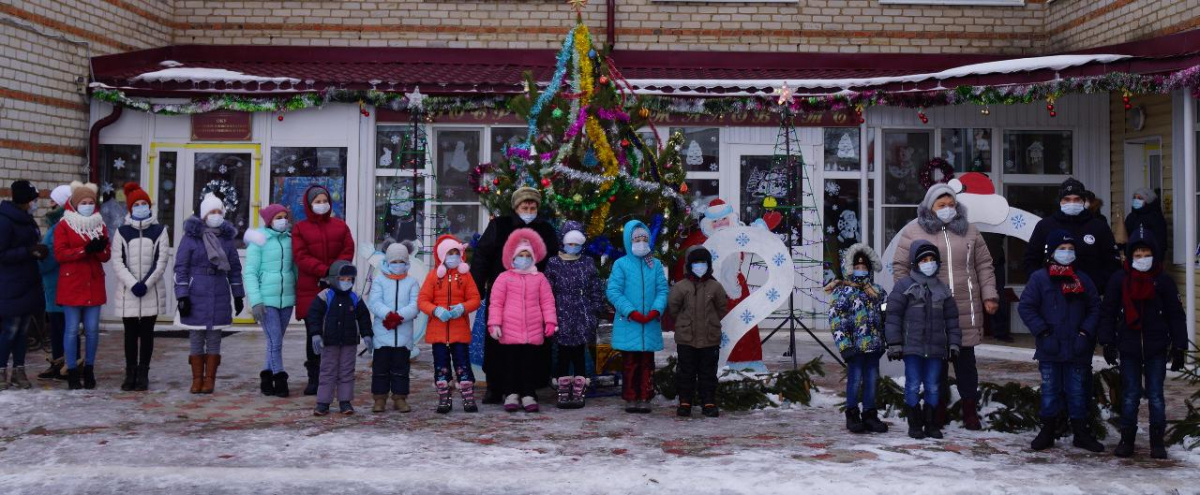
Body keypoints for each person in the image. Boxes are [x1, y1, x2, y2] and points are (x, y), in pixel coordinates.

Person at [892, 183, 998, 430]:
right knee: (935, 363)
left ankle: (970, 412)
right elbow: (900, 267)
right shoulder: (913, 231)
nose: (947, 209)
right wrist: (910, 296)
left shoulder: (969, 231)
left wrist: (989, 295)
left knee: (966, 364)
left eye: (951, 204)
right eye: (942, 205)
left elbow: (984, 264)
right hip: (930, 311)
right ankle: (936, 411)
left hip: (965, 307)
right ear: (930, 206)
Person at [1100, 227, 1187, 459]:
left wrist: (1180, 346)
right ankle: (1127, 439)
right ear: (1130, 256)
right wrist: (1107, 340)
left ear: (1154, 255)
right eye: (1137, 255)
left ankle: (1157, 441)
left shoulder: (1163, 281)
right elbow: (1108, 311)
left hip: (1156, 347)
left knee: (1156, 395)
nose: (1142, 259)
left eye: (1146, 254)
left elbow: (1176, 314)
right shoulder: (1119, 280)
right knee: (1130, 395)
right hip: (1128, 346)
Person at [1018, 230, 1104, 453]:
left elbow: (1095, 307)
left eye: (1070, 249)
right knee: (1050, 390)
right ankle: (1047, 431)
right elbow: (1026, 307)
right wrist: (1043, 332)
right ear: (1052, 252)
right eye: (1062, 249)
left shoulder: (1082, 279)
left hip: (1077, 348)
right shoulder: (1039, 278)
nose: (1066, 253)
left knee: (1077, 391)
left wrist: (1085, 333)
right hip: (1050, 348)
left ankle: (1081, 432)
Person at [472, 186, 559, 403]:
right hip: (503, 292)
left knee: (532, 344)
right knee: (496, 341)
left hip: (533, 295)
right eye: (524, 206)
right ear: (516, 207)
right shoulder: (499, 226)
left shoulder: (546, 230)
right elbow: (482, 255)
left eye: (532, 207)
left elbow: (554, 260)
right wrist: (477, 285)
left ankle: (529, 387)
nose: (528, 210)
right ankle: (495, 386)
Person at [885, 240, 961, 440]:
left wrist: (953, 343)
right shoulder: (904, 286)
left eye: (932, 260)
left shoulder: (942, 289)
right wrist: (894, 343)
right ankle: (914, 422)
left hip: (936, 349)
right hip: (913, 347)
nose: (929, 263)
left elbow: (952, 319)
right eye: (924, 260)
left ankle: (931, 423)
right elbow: (893, 316)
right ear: (915, 263)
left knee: (933, 385)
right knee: (912, 384)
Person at [174, 192, 244, 395]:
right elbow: (181, 267)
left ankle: (210, 379)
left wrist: (238, 294)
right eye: (212, 212)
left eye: (219, 211)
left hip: (219, 291)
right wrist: (182, 295)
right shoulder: (191, 238)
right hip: (196, 292)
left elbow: (234, 268)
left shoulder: (227, 240)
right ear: (204, 215)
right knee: (196, 336)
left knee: (214, 337)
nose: (216, 215)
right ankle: (197, 379)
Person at [487, 228, 558, 413]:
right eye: (521, 255)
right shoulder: (504, 278)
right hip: (510, 330)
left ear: (533, 257)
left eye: (527, 255)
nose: (524, 258)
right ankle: (511, 393)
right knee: (510, 364)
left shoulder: (540, 278)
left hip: (533, 330)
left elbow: (547, 302)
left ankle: (528, 394)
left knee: (529, 364)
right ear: (513, 258)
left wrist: (550, 322)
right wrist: (494, 323)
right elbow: (496, 303)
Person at [292, 185, 354, 396]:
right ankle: (315, 377)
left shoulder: (340, 226)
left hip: (338, 288)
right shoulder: (300, 228)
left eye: (324, 200)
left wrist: (335, 273)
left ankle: (336, 376)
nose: (321, 205)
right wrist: (325, 271)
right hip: (311, 289)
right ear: (310, 205)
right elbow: (300, 256)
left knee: (337, 331)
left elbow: (348, 250)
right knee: (314, 332)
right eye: (317, 202)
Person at [110, 183, 170, 391]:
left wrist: (146, 283)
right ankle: (130, 372)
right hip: (129, 292)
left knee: (147, 334)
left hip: (151, 291)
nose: (141, 207)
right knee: (129, 334)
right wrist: (133, 283)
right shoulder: (122, 231)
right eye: (137, 204)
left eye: (145, 203)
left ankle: (143, 372)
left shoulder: (159, 230)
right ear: (130, 208)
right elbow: (117, 261)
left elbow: (161, 261)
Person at [606, 220, 669, 414]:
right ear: (629, 241)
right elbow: (614, 291)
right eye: (637, 238)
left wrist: (655, 310)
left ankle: (645, 396)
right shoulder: (621, 264)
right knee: (630, 363)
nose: (641, 242)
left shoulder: (655, 264)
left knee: (647, 363)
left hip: (649, 323)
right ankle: (631, 397)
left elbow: (662, 290)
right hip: (629, 323)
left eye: (644, 238)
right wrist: (630, 311)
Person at [826, 243, 888, 433]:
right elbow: (837, 320)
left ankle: (870, 413)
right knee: (854, 380)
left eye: (864, 268)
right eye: (857, 267)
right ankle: (852, 413)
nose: (861, 271)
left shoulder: (877, 292)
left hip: (874, 347)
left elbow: (886, 316)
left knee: (871, 380)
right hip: (854, 348)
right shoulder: (843, 292)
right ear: (851, 268)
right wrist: (845, 346)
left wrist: (885, 339)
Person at [54, 182, 110, 390]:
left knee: (93, 330)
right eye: (84, 202)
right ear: (75, 204)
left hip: (93, 283)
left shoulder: (99, 224)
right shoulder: (64, 225)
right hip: (72, 284)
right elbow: (60, 254)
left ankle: (89, 368)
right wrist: (84, 250)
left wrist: (98, 249)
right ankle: (72, 371)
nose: (87, 205)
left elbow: (106, 255)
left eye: (91, 202)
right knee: (71, 330)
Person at [543, 221, 605, 409]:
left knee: (578, 353)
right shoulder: (553, 263)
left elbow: (595, 289)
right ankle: (563, 389)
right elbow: (547, 292)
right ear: (563, 242)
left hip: (582, 316)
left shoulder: (587, 263)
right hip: (560, 316)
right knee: (562, 354)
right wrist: (549, 316)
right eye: (570, 243)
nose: (573, 246)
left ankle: (579, 389)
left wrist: (594, 312)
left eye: (576, 243)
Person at [419, 234, 482, 414]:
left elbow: (475, 299)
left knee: (463, 364)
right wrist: (435, 310)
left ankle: (468, 396)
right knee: (441, 365)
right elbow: (422, 300)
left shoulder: (465, 276)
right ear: (442, 255)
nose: (453, 256)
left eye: (456, 252)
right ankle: (444, 397)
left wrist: (462, 308)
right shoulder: (433, 277)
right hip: (438, 333)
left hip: (459, 332)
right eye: (449, 253)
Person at [1023, 178, 1121, 291]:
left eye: (1076, 199)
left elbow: (1112, 262)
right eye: (1067, 199)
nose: (1072, 203)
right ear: (1060, 201)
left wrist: (1094, 286)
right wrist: (1042, 284)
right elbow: (1030, 260)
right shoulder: (1045, 226)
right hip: (1051, 294)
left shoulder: (1099, 227)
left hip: (1089, 295)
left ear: (1083, 201)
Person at [668, 246, 728, 418]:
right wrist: (683, 323)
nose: (699, 266)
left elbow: (721, 308)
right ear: (689, 265)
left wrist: (712, 321)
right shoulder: (681, 287)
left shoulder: (715, 287)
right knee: (686, 370)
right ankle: (685, 401)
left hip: (710, 338)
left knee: (708, 371)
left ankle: (708, 401)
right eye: (696, 263)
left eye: (703, 263)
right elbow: (674, 308)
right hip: (687, 338)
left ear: (708, 265)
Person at [243, 204, 297, 398]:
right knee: (275, 341)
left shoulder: (291, 240)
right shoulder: (259, 241)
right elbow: (250, 272)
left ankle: (266, 376)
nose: (283, 220)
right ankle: (279, 378)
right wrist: (256, 301)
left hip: (287, 298)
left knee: (275, 340)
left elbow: (295, 268)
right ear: (269, 221)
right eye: (278, 217)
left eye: (285, 216)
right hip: (267, 300)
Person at [307, 261, 373, 416]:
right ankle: (323, 402)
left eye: (349, 279)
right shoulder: (325, 296)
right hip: (329, 342)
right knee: (327, 371)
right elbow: (314, 316)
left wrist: (367, 334)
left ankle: (345, 401)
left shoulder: (355, 297)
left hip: (349, 342)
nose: (346, 282)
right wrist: (316, 333)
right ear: (333, 279)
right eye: (342, 279)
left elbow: (363, 317)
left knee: (347, 371)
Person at [0, 180, 47, 391]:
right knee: (10, 329)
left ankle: (19, 370)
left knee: (23, 332)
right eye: (33, 199)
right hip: (11, 283)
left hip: (28, 281)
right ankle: (1, 371)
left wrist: (39, 251)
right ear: (25, 200)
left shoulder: (26, 220)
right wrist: (28, 252)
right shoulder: (5, 221)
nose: (36, 203)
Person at [367, 240, 421, 413]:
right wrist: (388, 314)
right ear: (387, 262)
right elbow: (374, 302)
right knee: (380, 369)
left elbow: (415, 305)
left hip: (403, 336)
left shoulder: (412, 282)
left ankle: (400, 397)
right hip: (383, 334)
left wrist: (400, 316)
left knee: (401, 369)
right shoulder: (379, 281)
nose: (398, 265)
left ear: (407, 263)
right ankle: (379, 398)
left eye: (401, 262)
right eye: (394, 262)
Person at [37, 185, 73, 381]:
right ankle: (59, 362)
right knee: (57, 326)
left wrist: (38, 263)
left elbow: (52, 254)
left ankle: (69, 364)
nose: (49, 203)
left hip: (59, 281)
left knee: (64, 325)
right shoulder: (55, 223)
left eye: (53, 200)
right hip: (53, 283)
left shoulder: (60, 224)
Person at [1124, 187, 1168, 259]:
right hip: (1132, 256)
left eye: (1140, 198)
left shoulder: (1155, 218)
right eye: (1134, 198)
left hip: (1150, 256)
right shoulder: (1131, 217)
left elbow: (1160, 241)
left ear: (1148, 200)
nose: (1136, 200)